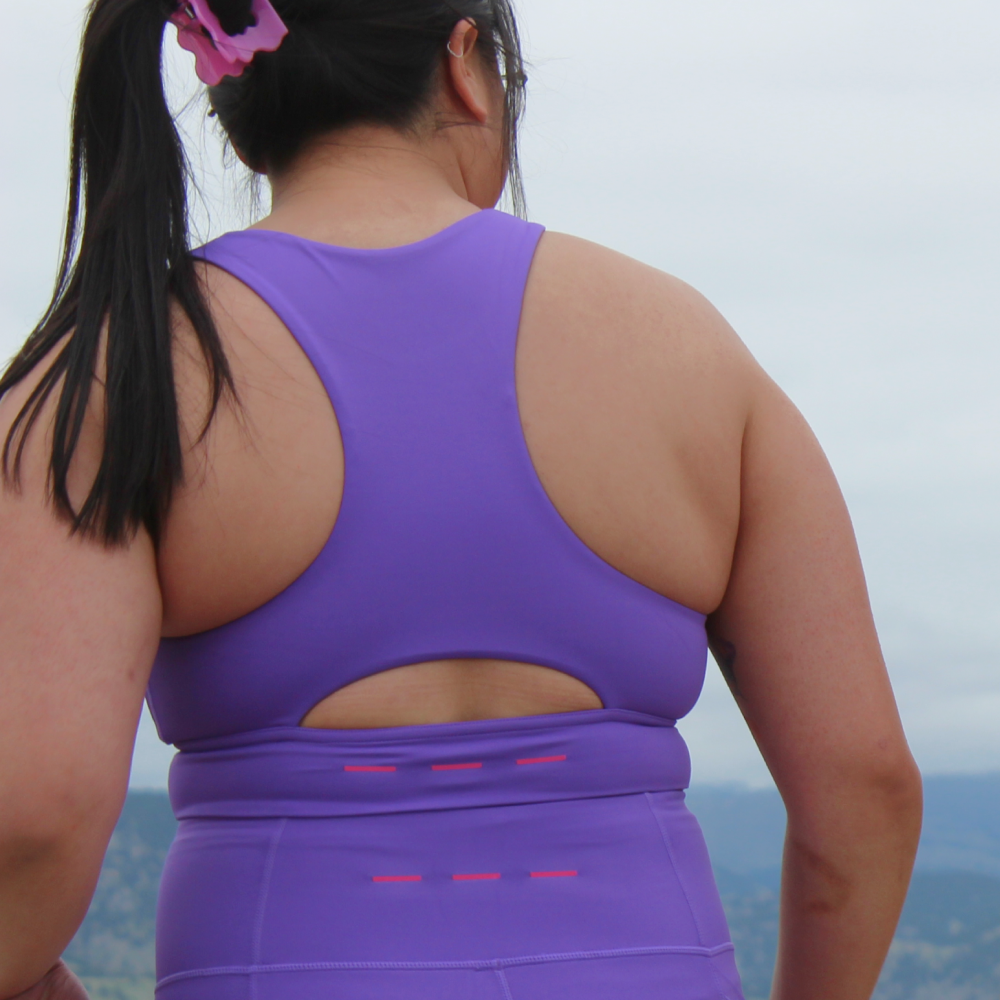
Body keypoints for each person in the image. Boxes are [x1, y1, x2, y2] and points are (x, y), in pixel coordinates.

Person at [0, 1, 923, 998]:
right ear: (465, 63)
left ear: (231, 89)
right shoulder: (686, 350)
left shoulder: (117, 366)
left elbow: (36, 816)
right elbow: (861, 789)